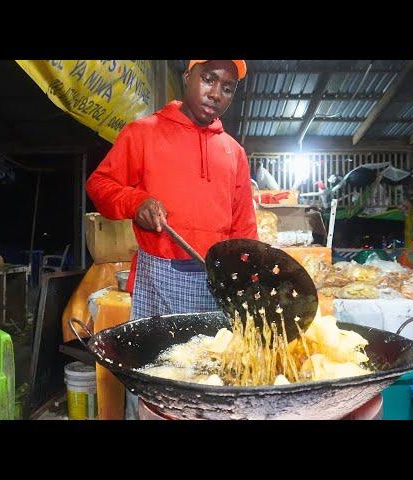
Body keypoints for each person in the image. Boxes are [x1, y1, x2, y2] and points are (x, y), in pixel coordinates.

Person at [86, 60, 258, 418]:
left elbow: (243, 227)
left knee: (212, 376)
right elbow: (100, 185)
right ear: (187, 78)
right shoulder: (143, 133)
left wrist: (248, 274)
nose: (216, 93)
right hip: (160, 276)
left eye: (227, 87)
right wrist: (137, 203)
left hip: (216, 280)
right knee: (156, 375)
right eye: (208, 80)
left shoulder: (234, 152)